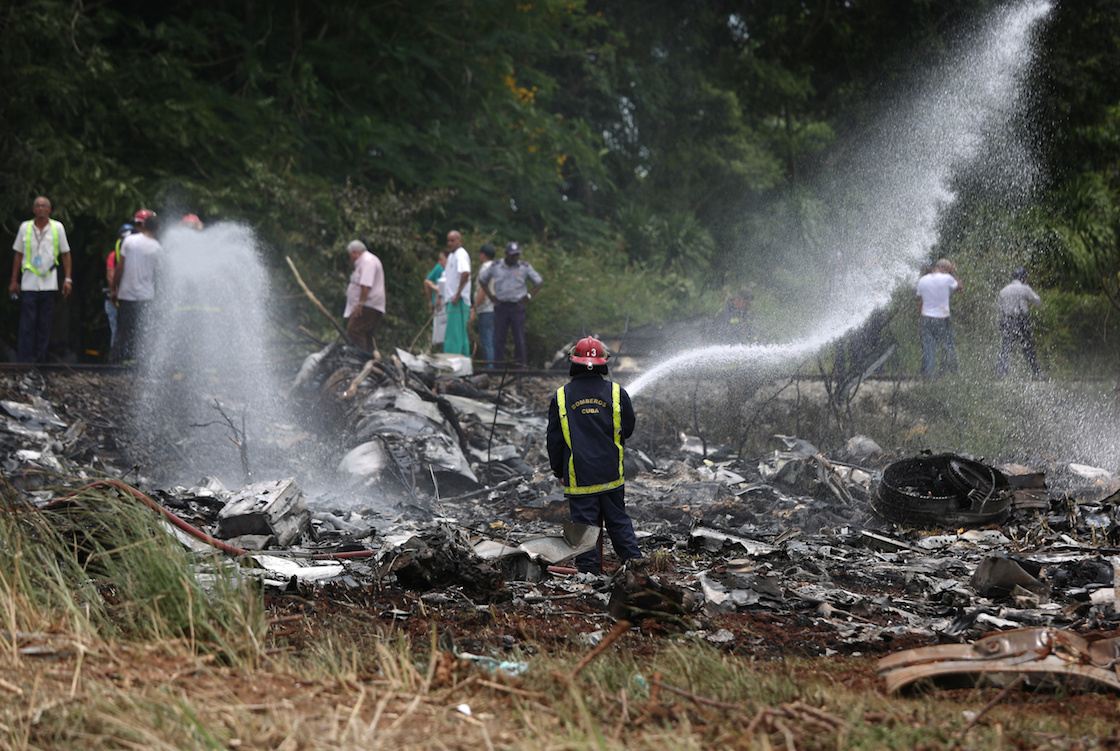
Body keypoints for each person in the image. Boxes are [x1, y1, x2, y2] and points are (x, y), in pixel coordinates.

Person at [546, 336, 641, 575]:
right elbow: (627, 429)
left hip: (580, 477)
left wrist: (559, 471)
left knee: (585, 527)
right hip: (611, 475)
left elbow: (555, 441)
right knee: (618, 521)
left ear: (573, 362)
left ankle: (589, 576)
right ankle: (636, 566)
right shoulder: (618, 394)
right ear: (603, 363)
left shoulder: (560, 397)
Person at [9, 196, 72, 364]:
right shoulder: (26, 227)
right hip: (29, 282)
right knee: (27, 324)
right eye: (38, 206)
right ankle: (24, 360)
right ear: (33, 209)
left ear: (50, 209)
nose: (41, 209)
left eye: (44, 206)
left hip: (49, 283)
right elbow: (18, 255)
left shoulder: (57, 227)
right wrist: (14, 281)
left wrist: (68, 279)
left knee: (44, 324)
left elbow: (66, 254)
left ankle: (41, 359)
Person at [478, 241, 543, 369]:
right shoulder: (496, 266)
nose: (515, 258)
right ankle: (499, 368)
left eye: (517, 255)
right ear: (506, 254)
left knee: (519, 338)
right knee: (499, 338)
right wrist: (491, 297)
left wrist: (528, 296)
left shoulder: (524, 267)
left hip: (517, 307)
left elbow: (538, 282)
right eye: (512, 255)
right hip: (501, 306)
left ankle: (520, 367)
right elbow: (482, 280)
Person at [110, 210, 162, 363]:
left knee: (123, 330)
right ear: (159, 229)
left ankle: (116, 362)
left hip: (126, 293)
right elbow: (158, 273)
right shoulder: (157, 248)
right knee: (142, 331)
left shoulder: (129, 241)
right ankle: (140, 362)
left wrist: (114, 288)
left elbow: (119, 267)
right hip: (146, 296)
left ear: (144, 225)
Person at [916, 258, 963, 378]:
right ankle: (955, 375)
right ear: (946, 269)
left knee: (929, 350)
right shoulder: (947, 278)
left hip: (926, 318)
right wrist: (953, 273)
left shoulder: (923, 280)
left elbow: (920, 302)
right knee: (948, 347)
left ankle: (929, 376)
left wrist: (921, 319)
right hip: (942, 318)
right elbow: (960, 287)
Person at [996, 267, 1042, 379]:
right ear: (1023, 278)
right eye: (1025, 277)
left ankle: (1001, 372)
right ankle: (1036, 371)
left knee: (1006, 346)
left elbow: (999, 308)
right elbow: (1037, 301)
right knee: (1028, 347)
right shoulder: (1024, 288)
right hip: (1021, 321)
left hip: (1007, 320)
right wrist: (1027, 290)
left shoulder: (1004, 290)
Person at [343, 240, 385, 356]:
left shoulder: (367, 261)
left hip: (369, 304)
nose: (350, 258)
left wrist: (360, 303)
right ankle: (372, 359)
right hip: (370, 304)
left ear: (355, 252)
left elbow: (366, 285)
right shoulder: (366, 261)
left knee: (355, 330)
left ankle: (362, 359)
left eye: (350, 255)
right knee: (368, 334)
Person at [440, 230, 471, 356]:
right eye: (448, 240)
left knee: (454, 334)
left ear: (460, 241)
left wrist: (457, 295)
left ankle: (452, 359)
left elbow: (465, 273)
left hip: (457, 300)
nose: (450, 243)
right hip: (452, 299)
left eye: (453, 240)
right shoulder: (452, 255)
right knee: (459, 333)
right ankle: (464, 358)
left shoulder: (460, 254)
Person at [105, 223, 134, 349]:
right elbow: (110, 275)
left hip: (128, 298)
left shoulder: (135, 255)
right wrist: (114, 291)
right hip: (117, 299)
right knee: (117, 331)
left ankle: (126, 359)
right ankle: (116, 362)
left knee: (127, 331)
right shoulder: (113, 255)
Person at [469, 243, 496, 367]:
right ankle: (493, 367)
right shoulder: (497, 267)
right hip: (496, 308)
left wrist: (474, 307)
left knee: (486, 340)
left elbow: (482, 290)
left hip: (486, 308)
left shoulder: (485, 268)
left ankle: (490, 369)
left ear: (483, 255)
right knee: (492, 339)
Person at [423, 249, 447, 350]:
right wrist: (430, 302)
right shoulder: (439, 268)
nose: (439, 262)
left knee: (445, 333)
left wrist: (432, 286)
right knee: (439, 333)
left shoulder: (450, 271)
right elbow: (426, 282)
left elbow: (430, 284)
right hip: (438, 305)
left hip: (447, 304)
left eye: (441, 260)